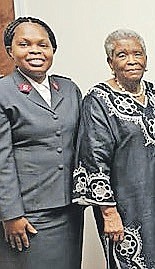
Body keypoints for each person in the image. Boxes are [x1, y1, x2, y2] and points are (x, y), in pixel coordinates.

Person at [72, 29, 155, 268]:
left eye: (137, 53)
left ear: (146, 59)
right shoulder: (98, 100)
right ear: (110, 62)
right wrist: (108, 213)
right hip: (125, 207)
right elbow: (94, 159)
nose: (131, 60)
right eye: (122, 55)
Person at [0, 17, 84, 269]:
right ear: (10, 51)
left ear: (52, 50)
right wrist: (11, 214)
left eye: (43, 44)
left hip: (69, 207)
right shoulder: (3, 92)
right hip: (28, 212)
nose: (35, 50)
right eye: (24, 44)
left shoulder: (68, 89)